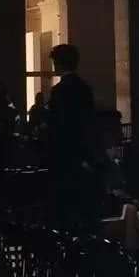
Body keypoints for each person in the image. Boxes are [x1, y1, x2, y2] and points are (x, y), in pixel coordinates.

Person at [46, 43, 97, 229]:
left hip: (63, 158)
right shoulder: (85, 89)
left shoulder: (59, 92)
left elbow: (57, 127)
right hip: (82, 156)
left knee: (63, 210)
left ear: (58, 64)